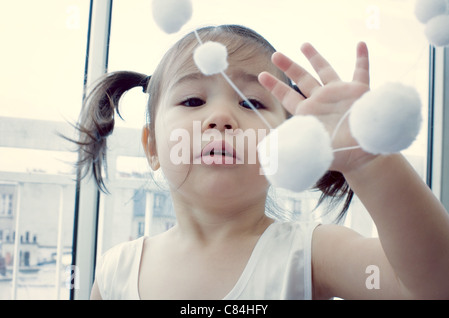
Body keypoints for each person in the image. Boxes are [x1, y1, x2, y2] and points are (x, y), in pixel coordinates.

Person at [75, 25, 449, 299]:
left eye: (251, 102)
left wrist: (370, 162)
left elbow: (430, 285)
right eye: (192, 101)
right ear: (152, 147)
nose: (220, 118)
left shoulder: (310, 255)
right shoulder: (115, 274)